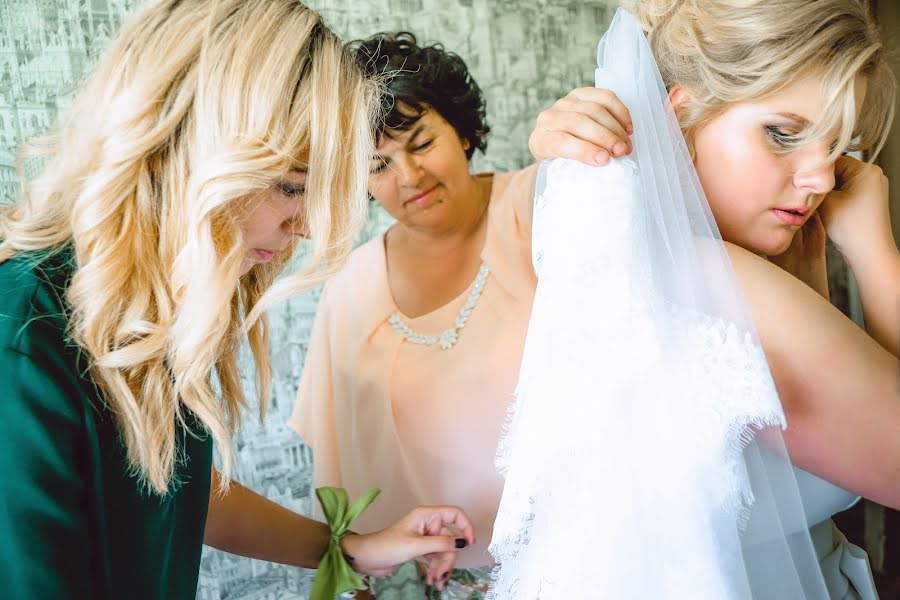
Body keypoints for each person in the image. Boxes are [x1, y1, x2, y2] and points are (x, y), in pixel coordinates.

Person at [0, 2, 474, 599]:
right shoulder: (23, 339)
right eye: (291, 188)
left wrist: (347, 549)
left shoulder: (143, 317)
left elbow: (169, 485)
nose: (303, 228)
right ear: (186, 154)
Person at [516, 0, 899, 597]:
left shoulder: (646, 254)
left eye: (838, 145)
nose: (822, 178)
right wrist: (879, 256)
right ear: (681, 116)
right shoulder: (707, 281)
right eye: (784, 134)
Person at [290, 31, 545, 597]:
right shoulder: (351, 290)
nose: (408, 177)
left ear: (461, 129)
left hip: (576, 560)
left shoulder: (540, 211)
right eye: (377, 165)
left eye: (422, 142)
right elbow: (338, 477)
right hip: (430, 586)